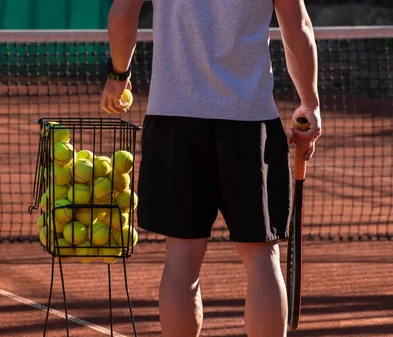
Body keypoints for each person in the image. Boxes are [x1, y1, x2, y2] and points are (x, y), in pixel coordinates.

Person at [100, 0, 322, 336]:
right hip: (249, 122)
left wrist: (119, 75)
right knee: (263, 258)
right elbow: (298, 27)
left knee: (182, 259)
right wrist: (310, 102)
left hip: (174, 120)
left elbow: (122, 15)